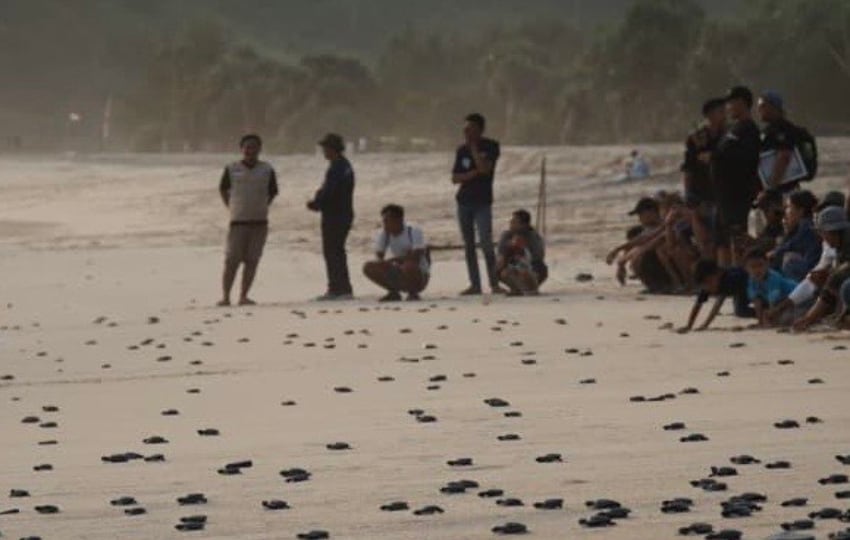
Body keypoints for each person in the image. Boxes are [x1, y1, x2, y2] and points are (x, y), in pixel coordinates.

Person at [217, 134, 278, 307]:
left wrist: (261, 206)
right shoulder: (231, 168)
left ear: (259, 149)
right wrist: (231, 207)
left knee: (252, 260)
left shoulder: (267, 169)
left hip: (259, 222)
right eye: (247, 147)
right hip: (238, 222)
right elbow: (223, 189)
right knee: (231, 261)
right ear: (241, 149)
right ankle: (226, 297)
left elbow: (272, 192)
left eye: (254, 147)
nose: (250, 150)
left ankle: (244, 296)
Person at [768, 191, 845, 323]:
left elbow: (830, 278)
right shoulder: (828, 246)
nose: (821, 237)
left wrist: (808, 318)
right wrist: (781, 307)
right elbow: (812, 280)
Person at [451, 113, 504, 296]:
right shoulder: (461, 150)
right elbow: (455, 178)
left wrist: (474, 149)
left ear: (480, 130)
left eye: (470, 129)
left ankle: (494, 283)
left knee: (486, 243)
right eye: (464, 129)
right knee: (469, 245)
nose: (466, 133)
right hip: (464, 202)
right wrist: (472, 174)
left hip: (483, 201)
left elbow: (485, 168)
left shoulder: (491, 146)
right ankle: (475, 284)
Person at [713, 86, 762, 267]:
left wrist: (719, 157)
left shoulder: (749, 130)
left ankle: (740, 283)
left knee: (737, 240)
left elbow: (748, 159)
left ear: (742, 103)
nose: (728, 108)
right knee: (721, 240)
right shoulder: (731, 129)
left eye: (731, 103)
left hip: (738, 196)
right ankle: (724, 284)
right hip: (722, 196)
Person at [307, 133, 355, 300]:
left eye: (325, 148)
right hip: (344, 213)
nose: (323, 152)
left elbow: (330, 192)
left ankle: (337, 288)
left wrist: (316, 203)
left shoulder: (337, 167)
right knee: (337, 251)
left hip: (335, 215)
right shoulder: (344, 165)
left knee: (332, 251)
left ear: (332, 149)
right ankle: (344, 287)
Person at [606, 197, 683, 292]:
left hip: (669, 263)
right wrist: (620, 257)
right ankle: (655, 286)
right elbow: (639, 241)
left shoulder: (665, 225)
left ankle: (672, 284)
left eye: (640, 214)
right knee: (636, 249)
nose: (639, 218)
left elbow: (647, 241)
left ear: (651, 212)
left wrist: (622, 259)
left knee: (644, 254)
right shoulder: (649, 228)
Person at [793, 206, 850, 331]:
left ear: (833, 232)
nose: (822, 238)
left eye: (822, 233)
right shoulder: (842, 248)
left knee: (846, 286)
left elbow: (836, 278)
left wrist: (808, 318)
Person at [682, 98, 726, 258]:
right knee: (705, 241)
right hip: (701, 195)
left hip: (723, 195)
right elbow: (688, 169)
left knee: (724, 240)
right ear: (710, 115)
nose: (725, 115)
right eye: (720, 112)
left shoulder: (729, 135)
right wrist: (688, 194)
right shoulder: (696, 138)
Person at [362, 204, 430, 302]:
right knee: (369, 267)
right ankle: (393, 292)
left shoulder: (413, 231)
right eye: (384, 221)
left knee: (409, 265)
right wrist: (383, 263)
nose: (385, 224)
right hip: (399, 270)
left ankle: (413, 293)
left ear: (399, 220)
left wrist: (395, 260)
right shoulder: (385, 233)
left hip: (419, 273)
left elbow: (416, 256)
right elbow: (379, 254)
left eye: (387, 221)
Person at [678, 259, 754, 333]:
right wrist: (689, 325)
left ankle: (763, 314)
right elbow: (698, 304)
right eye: (706, 283)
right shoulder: (707, 283)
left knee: (741, 310)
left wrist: (705, 324)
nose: (709, 287)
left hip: (751, 286)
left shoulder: (730, 278)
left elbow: (717, 305)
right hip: (739, 291)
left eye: (710, 281)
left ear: (718, 273)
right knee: (740, 310)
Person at [769, 190, 821, 281]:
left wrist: (773, 253)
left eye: (789, 207)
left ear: (800, 211)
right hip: (810, 265)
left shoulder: (806, 226)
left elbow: (792, 245)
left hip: (810, 267)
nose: (786, 211)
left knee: (788, 260)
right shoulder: (805, 225)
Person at [495, 209, 547, 296]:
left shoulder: (533, 236)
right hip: (512, 266)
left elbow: (538, 257)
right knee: (499, 268)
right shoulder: (506, 235)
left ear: (524, 225)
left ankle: (529, 287)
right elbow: (500, 254)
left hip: (531, 268)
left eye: (515, 222)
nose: (511, 224)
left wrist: (523, 249)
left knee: (527, 272)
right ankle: (517, 288)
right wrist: (510, 247)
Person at [743, 248, 798, 327]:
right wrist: (760, 322)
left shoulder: (773, 278)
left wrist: (770, 320)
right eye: (753, 267)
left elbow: (773, 303)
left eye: (760, 265)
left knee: (785, 320)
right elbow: (757, 302)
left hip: (796, 299)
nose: (757, 270)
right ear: (746, 268)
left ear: (767, 264)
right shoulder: (751, 280)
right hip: (781, 303)